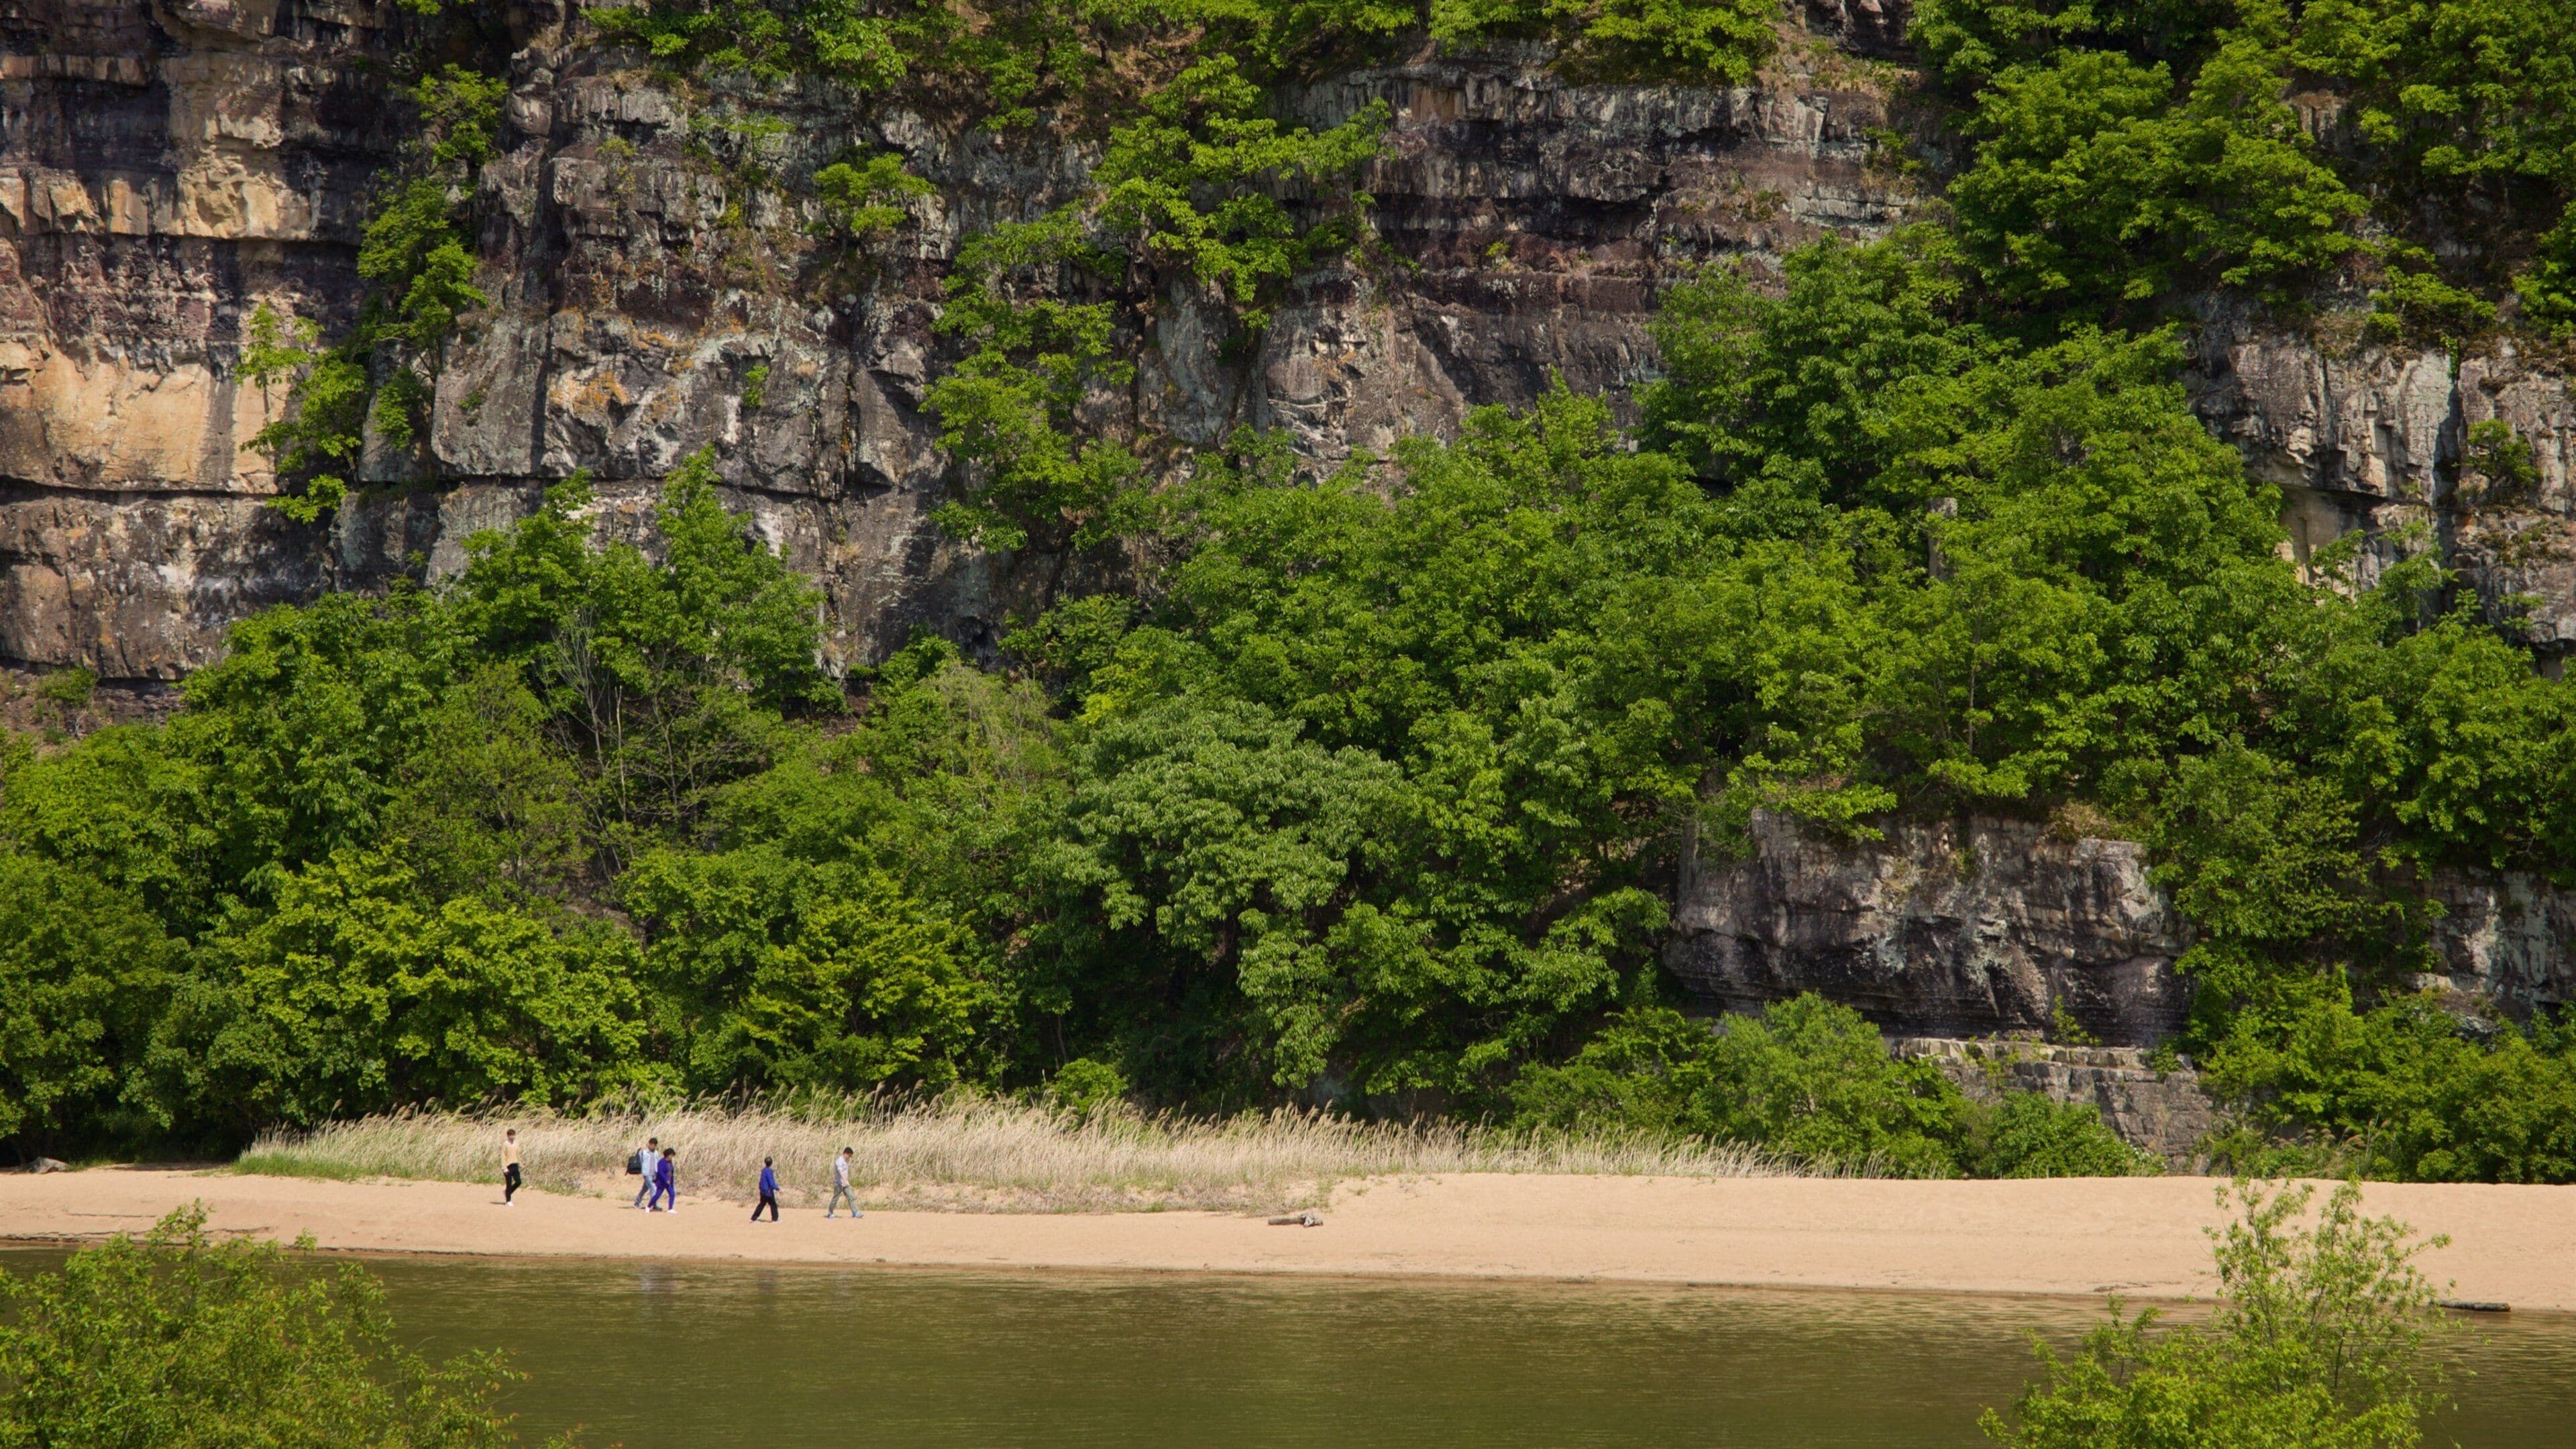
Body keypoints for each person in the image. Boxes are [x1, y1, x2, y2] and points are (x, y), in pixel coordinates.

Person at [824, 1146, 863, 1219]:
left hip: (845, 1183)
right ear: (846, 1153)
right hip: (838, 1183)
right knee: (835, 1199)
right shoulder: (839, 1161)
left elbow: (845, 1172)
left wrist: (847, 1181)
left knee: (851, 1196)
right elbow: (840, 1172)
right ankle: (830, 1213)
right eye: (849, 1156)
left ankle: (855, 1213)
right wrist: (845, 1181)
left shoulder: (845, 1161)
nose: (849, 1157)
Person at [631, 1135, 660, 1210]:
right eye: (651, 1144)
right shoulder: (644, 1153)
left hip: (654, 1174)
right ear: (649, 1144)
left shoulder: (656, 1153)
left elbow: (658, 1162)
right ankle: (654, 1205)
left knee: (645, 1189)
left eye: (654, 1145)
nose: (653, 1146)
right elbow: (640, 1161)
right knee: (653, 1189)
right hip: (647, 1174)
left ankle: (637, 1202)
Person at [648, 1146, 678, 1213]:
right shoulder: (661, 1162)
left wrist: (671, 1181)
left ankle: (670, 1209)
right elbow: (660, 1172)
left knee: (672, 1194)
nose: (671, 1157)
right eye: (671, 1155)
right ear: (667, 1155)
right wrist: (665, 1179)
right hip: (662, 1183)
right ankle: (649, 1206)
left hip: (669, 1183)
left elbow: (671, 1172)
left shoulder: (670, 1162)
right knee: (657, 1196)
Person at [753, 1157, 780, 1222]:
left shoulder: (763, 1170)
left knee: (762, 1205)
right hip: (768, 1192)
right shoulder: (769, 1171)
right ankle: (775, 1219)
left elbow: (762, 1181)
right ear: (771, 1163)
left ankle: (754, 1218)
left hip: (763, 1191)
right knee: (773, 1205)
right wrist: (777, 1188)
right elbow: (771, 1182)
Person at [502, 1128, 522, 1206]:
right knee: (509, 1184)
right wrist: (504, 1168)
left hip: (515, 1165)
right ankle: (508, 1201)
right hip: (508, 1166)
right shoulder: (505, 1144)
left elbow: (518, 1154)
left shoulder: (516, 1144)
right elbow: (503, 1156)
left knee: (518, 1182)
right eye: (511, 1136)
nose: (512, 1137)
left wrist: (520, 1163)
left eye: (513, 1135)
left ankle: (507, 1192)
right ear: (508, 1136)